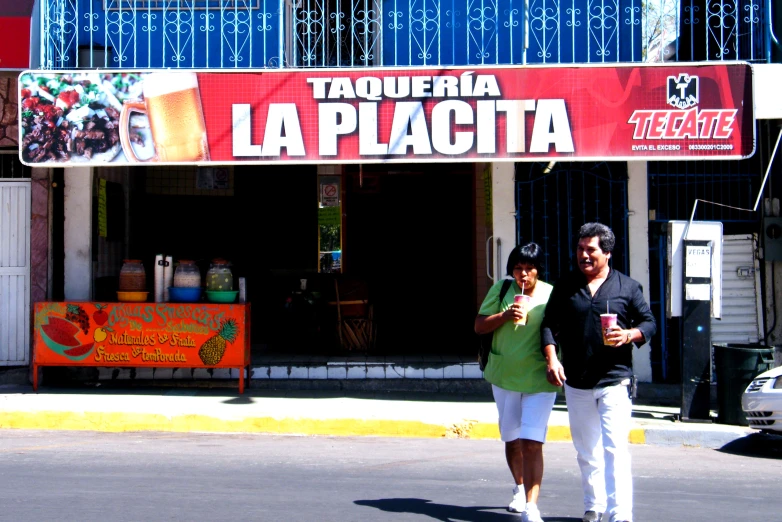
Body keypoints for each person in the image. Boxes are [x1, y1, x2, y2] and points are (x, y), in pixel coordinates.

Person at [540, 223, 656, 522]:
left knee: (615, 449)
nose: (584, 255)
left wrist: (629, 334)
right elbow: (549, 325)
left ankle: (620, 515)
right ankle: (594, 506)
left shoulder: (627, 287)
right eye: (579, 249)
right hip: (576, 382)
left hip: (614, 380)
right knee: (586, 450)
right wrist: (552, 358)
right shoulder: (566, 286)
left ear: (607, 252)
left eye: (590, 250)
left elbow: (649, 323)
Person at [475, 242, 560, 522]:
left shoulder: (551, 294)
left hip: (539, 378)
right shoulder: (501, 289)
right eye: (517, 269)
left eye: (529, 269)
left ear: (539, 270)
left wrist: (555, 362)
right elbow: (479, 325)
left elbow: (558, 331)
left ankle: (532, 507)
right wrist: (504, 315)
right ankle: (519, 487)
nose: (523, 275)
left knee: (532, 441)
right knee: (512, 438)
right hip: (505, 375)